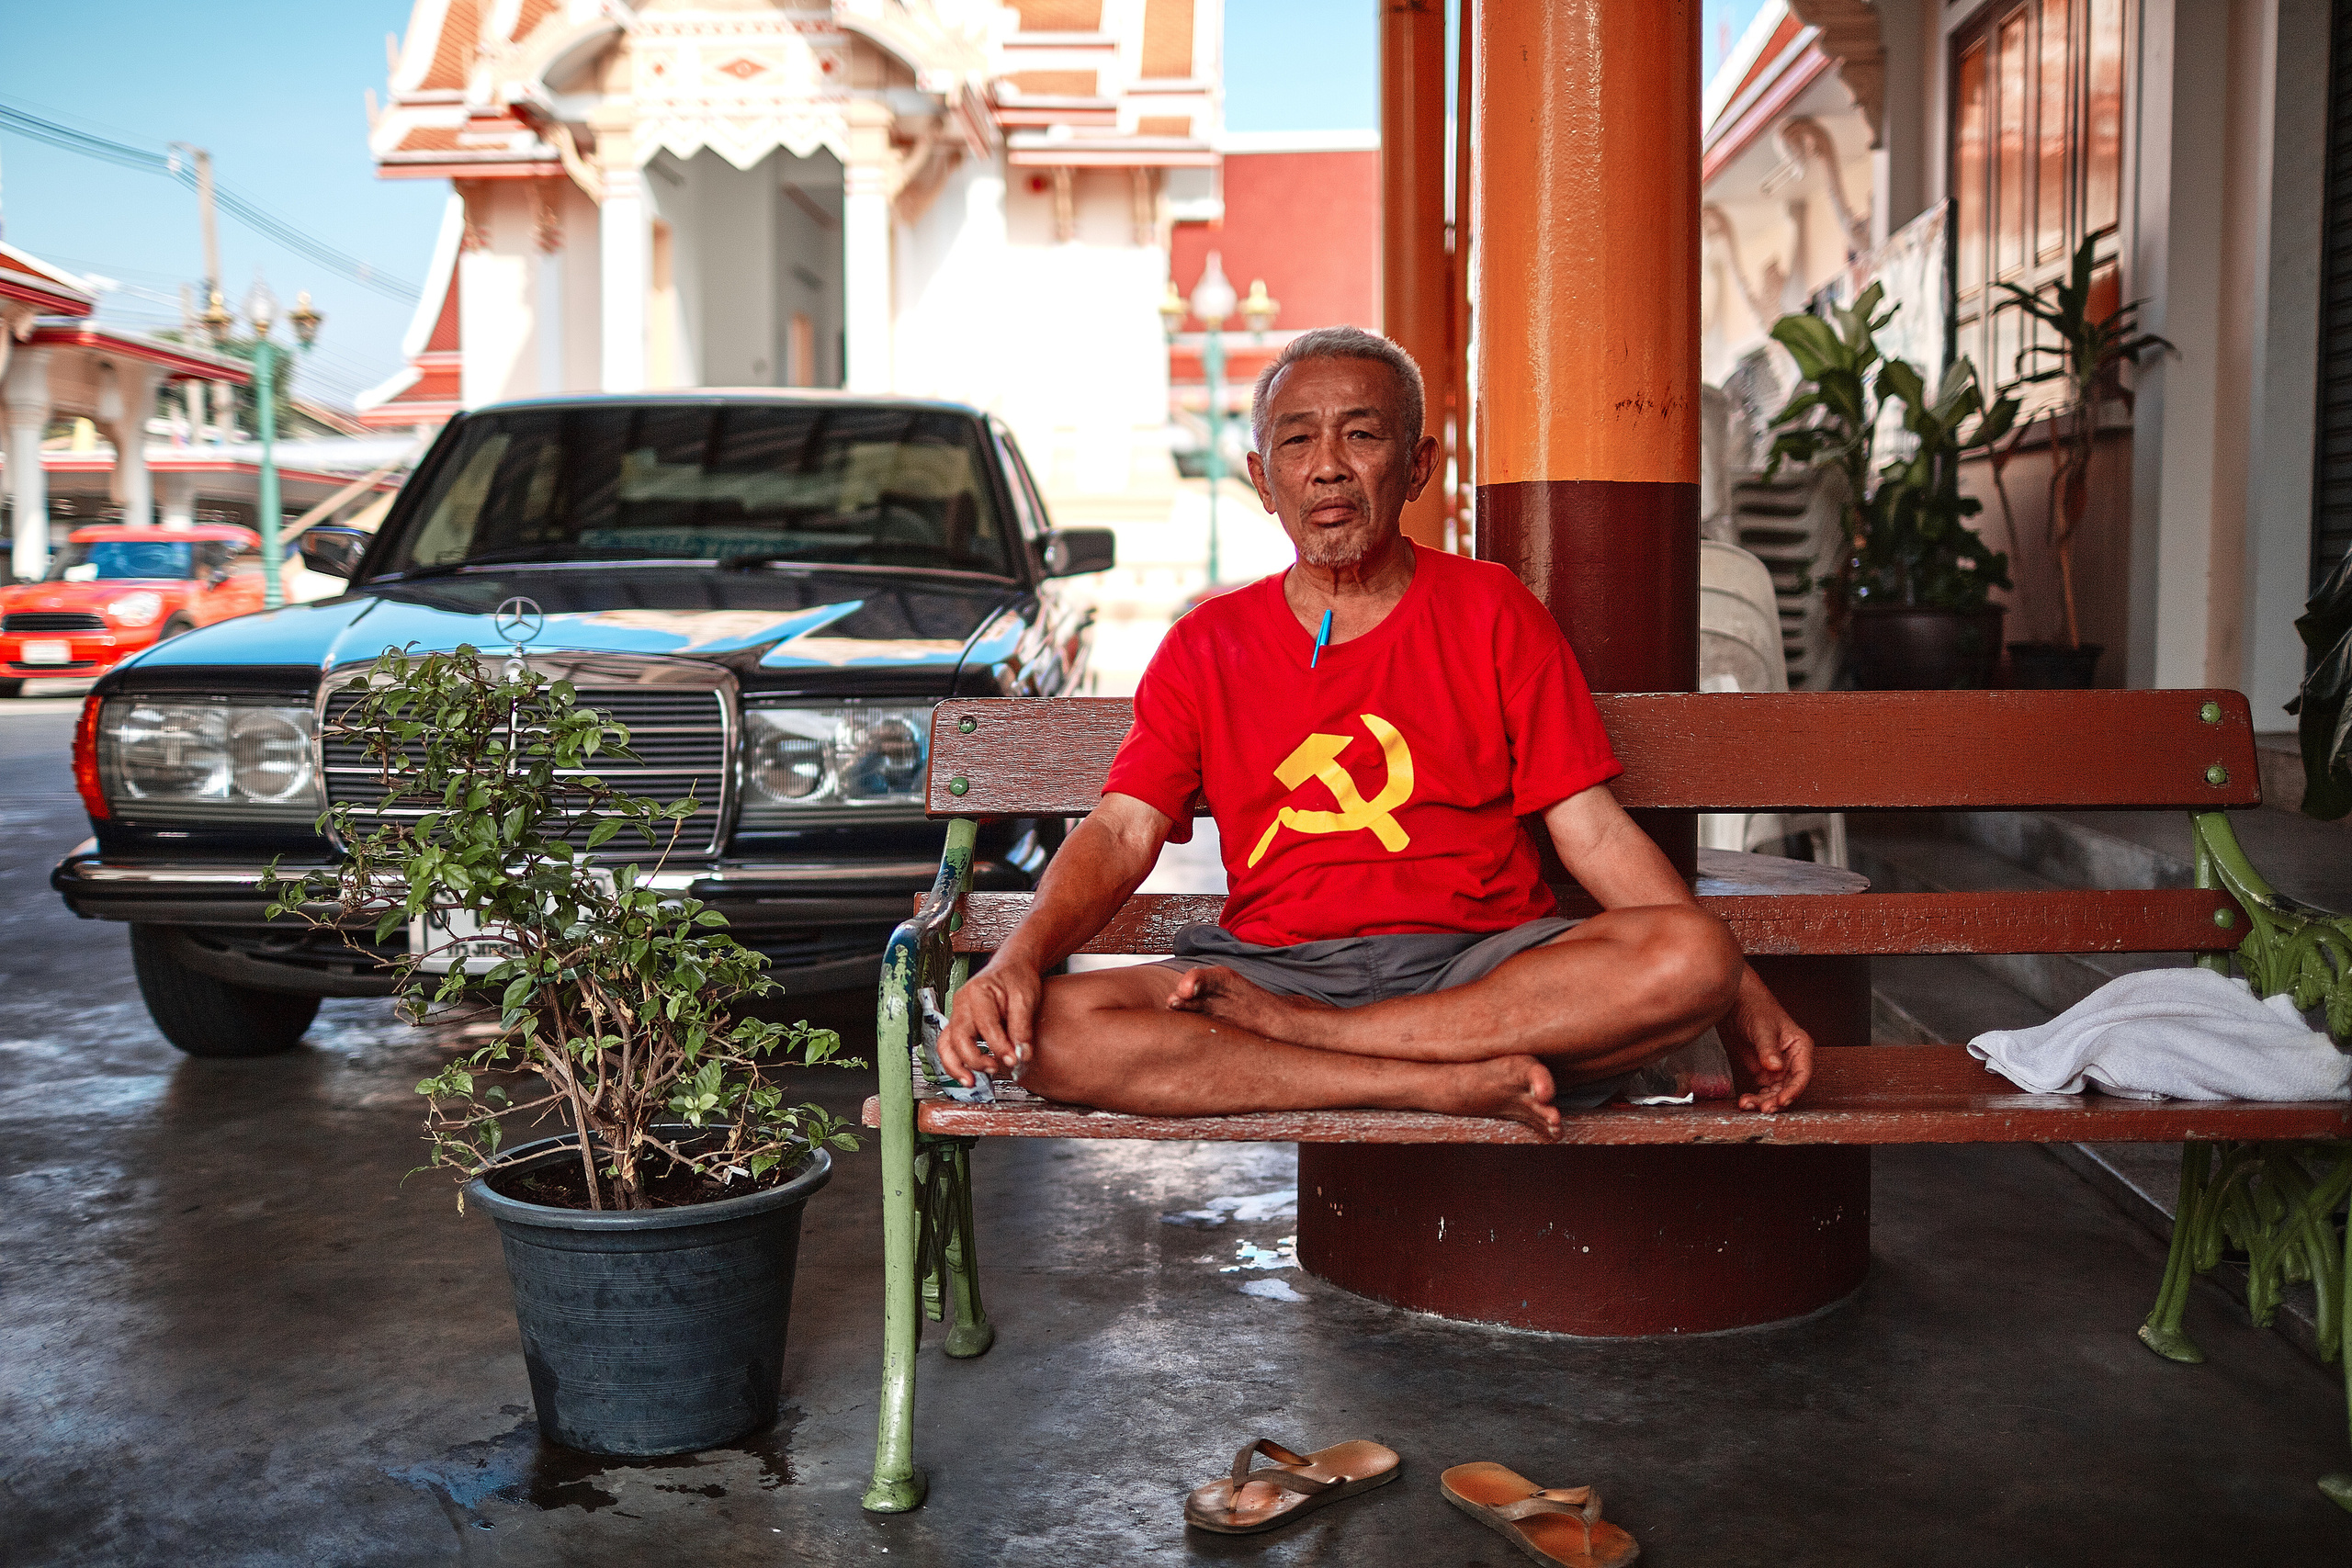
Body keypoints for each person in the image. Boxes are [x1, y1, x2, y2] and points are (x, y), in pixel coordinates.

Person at [936, 325, 1813, 1137]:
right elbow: (1123, 830)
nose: (1327, 468)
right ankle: (1424, 1081)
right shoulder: (1207, 644)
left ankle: (1329, 1045)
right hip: (1274, 969)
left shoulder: (1492, 610)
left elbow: (1592, 828)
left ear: (1418, 464)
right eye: (1297, 440)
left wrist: (1735, 992)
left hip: (1481, 972)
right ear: (1260, 476)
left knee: (1694, 953)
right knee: (1051, 1033)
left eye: (1361, 434)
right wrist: (1018, 956)